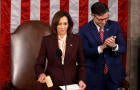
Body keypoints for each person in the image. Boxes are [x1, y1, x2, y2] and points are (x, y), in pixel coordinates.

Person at [79, 2, 126, 90]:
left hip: (114, 76)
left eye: (106, 18)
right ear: (92, 15)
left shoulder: (115, 26)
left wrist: (114, 46)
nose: (104, 22)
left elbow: (123, 48)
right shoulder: (84, 30)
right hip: (94, 77)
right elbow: (85, 52)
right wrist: (102, 47)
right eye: (100, 19)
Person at [35, 10, 86, 90]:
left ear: (69, 25)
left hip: (71, 83)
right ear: (55, 25)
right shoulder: (47, 40)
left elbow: (82, 64)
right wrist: (41, 74)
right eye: (59, 24)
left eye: (65, 24)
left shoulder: (77, 40)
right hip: (51, 84)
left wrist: (81, 80)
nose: (62, 27)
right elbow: (39, 64)